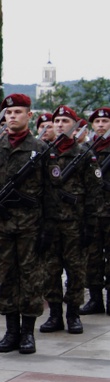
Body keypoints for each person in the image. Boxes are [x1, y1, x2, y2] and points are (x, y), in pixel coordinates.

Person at [0, 94, 50, 354]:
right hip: (2, 225)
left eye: (17, 112)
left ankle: (27, 333)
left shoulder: (40, 149)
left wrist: (48, 227)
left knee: (30, 278)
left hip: (30, 224)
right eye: (9, 113)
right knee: (6, 276)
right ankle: (11, 330)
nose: (12, 117)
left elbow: (50, 191)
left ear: (29, 116)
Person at [40, 105, 102, 335]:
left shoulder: (84, 154)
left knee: (76, 271)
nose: (59, 124)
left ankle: (73, 314)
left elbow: (94, 192)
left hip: (75, 223)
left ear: (75, 125)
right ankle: (55, 313)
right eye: (56, 121)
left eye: (65, 121)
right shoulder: (45, 152)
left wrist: (90, 224)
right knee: (50, 270)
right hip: (51, 223)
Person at [80, 107, 110, 315]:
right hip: (91, 212)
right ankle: (95, 299)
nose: (100, 125)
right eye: (97, 122)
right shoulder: (85, 149)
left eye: (105, 122)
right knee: (92, 257)